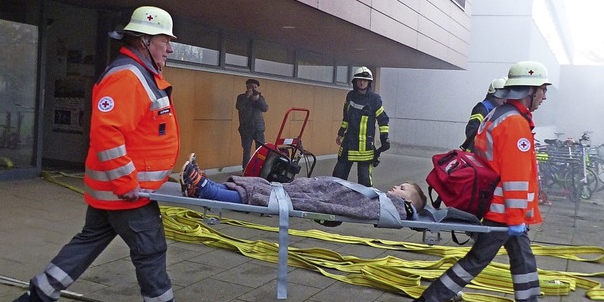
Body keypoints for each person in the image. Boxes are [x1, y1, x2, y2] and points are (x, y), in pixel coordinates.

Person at [8, 6, 204, 302]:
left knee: (87, 243)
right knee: (150, 248)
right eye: (164, 41)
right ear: (144, 40)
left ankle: (37, 298)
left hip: (117, 189)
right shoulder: (128, 76)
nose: (169, 49)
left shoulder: (138, 73)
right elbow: (107, 132)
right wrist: (127, 182)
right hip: (126, 191)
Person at [405, 61, 564, 302]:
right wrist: (516, 220)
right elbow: (514, 178)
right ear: (529, 91)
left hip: (502, 210)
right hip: (504, 213)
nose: (544, 96)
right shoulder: (515, 124)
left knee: (523, 262)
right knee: (476, 261)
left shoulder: (499, 115)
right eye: (542, 90)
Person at [180, 153, 426, 221]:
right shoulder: (387, 200)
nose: (396, 186)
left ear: (409, 202)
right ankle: (205, 183)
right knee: (260, 185)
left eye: (403, 188)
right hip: (319, 189)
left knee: (261, 196)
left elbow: (349, 205)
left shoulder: (398, 207)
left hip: (318, 196)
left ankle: (204, 189)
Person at [333, 66, 390, 187]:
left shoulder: (375, 99)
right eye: (359, 79)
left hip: (365, 147)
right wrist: (340, 133)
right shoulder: (350, 96)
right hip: (348, 144)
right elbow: (346, 118)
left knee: (365, 182)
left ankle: (366, 204)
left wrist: (384, 137)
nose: (362, 82)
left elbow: (383, 119)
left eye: (365, 80)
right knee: (337, 178)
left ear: (369, 82)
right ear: (355, 81)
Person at [460, 77, 507, 152]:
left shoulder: (499, 110)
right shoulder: (483, 108)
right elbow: (471, 130)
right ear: (492, 94)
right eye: (501, 95)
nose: (504, 99)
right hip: (474, 154)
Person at [236, 78, 269, 170]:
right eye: (251, 87)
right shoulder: (241, 97)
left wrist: (258, 100)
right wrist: (247, 96)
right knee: (247, 150)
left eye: (255, 87)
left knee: (260, 150)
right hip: (246, 128)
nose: (253, 89)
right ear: (247, 87)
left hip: (258, 128)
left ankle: (259, 168)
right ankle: (246, 169)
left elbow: (265, 108)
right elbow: (239, 107)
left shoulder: (260, 97)